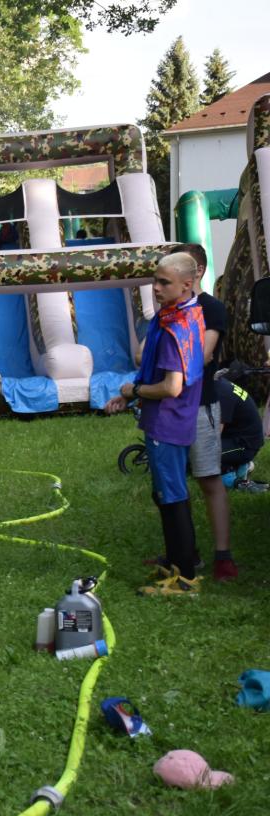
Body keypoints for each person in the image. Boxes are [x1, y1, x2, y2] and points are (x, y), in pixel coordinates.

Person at [104, 253, 206, 596]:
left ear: (187, 284)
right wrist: (132, 397)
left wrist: (134, 391)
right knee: (166, 493)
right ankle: (176, 561)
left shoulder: (177, 325)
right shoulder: (183, 313)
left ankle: (185, 578)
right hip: (171, 419)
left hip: (168, 423)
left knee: (171, 496)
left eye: (165, 282)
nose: (156, 288)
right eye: (155, 281)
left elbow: (172, 387)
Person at [174, 244, 238, 580]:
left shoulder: (211, 308)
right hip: (169, 409)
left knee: (208, 478)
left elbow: (203, 355)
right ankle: (184, 553)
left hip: (200, 405)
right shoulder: (168, 309)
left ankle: (223, 556)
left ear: (196, 271)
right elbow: (143, 354)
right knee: (171, 483)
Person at [217, 377, 265, 491]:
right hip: (240, 439)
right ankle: (239, 465)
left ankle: (233, 475)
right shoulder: (220, 384)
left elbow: (214, 434)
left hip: (244, 445)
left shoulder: (221, 393)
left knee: (198, 455)